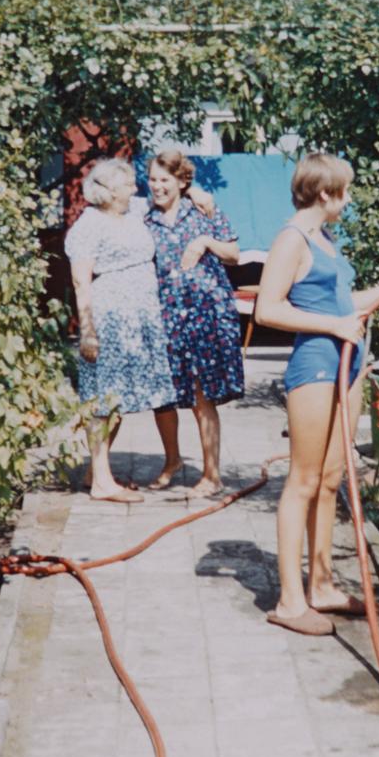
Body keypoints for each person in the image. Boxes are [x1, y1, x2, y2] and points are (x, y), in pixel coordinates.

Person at [255, 153, 379, 635]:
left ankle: (323, 586)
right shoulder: (291, 239)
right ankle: (291, 601)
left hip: (348, 362)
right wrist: (332, 325)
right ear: (324, 194)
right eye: (345, 192)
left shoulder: (324, 239)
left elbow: (346, 305)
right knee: (303, 481)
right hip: (316, 367)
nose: (348, 201)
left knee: (333, 476)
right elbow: (267, 310)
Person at [65, 157, 178, 503]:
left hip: (139, 319)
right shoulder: (89, 224)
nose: (135, 187)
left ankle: (93, 473)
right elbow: (80, 282)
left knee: (119, 399)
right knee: (105, 400)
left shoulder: (134, 211)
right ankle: (102, 482)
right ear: (111, 191)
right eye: (128, 184)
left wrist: (201, 195)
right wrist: (87, 330)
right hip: (110, 318)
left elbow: (171, 195)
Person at [144, 150, 245, 498]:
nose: (157, 187)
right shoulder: (144, 219)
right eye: (153, 179)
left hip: (205, 314)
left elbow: (234, 255)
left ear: (182, 181)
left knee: (203, 395)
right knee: (165, 395)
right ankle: (172, 461)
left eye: (164, 180)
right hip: (165, 315)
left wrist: (204, 242)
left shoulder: (204, 210)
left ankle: (212, 475)